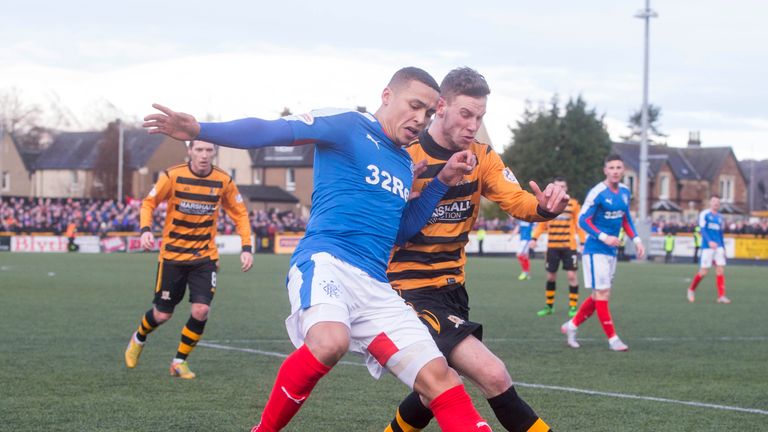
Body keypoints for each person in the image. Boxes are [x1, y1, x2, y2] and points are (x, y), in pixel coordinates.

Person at [143, 67, 498, 432]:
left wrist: (440, 182)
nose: (420, 119)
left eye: (427, 112)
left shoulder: (405, 162)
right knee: (330, 341)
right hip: (326, 261)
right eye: (414, 106)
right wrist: (201, 130)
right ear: (387, 96)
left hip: (377, 287)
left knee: (442, 379)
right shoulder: (345, 125)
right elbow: (270, 130)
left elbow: (401, 230)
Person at [384, 67, 567, 432]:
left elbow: (516, 200)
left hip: (453, 289)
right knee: (494, 375)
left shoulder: (482, 157)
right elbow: (382, 222)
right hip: (408, 291)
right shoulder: (405, 154)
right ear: (441, 107)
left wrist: (544, 207)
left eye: (480, 117)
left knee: (431, 392)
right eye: (466, 114)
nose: (473, 125)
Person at [124, 140, 253, 379]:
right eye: (199, 150)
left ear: (214, 153)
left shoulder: (223, 180)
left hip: (204, 256)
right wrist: (145, 229)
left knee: (201, 310)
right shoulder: (172, 176)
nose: (204, 155)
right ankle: (139, 338)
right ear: (190, 151)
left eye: (208, 150)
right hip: (172, 255)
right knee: (162, 314)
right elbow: (149, 203)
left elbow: (240, 214)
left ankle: (179, 361)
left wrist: (246, 246)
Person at [560, 154, 645, 352]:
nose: (615, 171)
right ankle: (613, 339)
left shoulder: (624, 192)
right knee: (603, 293)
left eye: (618, 167)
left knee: (599, 294)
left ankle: (571, 326)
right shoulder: (597, 192)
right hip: (595, 250)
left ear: (623, 170)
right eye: (612, 168)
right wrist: (603, 236)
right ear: (605, 170)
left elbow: (626, 219)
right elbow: (583, 220)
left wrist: (637, 240)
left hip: (611, 252)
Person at [529, 177, 585, 317]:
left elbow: (579, 225)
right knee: (551, 277)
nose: (560, 189)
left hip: (569, 246)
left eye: (563, 186)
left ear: (566, 189)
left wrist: (583, 242)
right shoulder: (548, 204)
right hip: (552, 246)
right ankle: (549, 306)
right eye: (557, 186)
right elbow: (542, 224)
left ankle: (573, 307)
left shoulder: (573, 204)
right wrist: (534, 238)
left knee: (572, 276)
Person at [687, 196, 731, 304]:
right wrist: (709, 241)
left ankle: (721, 296)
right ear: (710, 203)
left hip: (719, 247)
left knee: (720, 270)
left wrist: (723, 248)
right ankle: (691, 289)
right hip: (707, 247)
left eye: (718, 202)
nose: (716, 203)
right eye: (714, 201)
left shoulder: (720, 217)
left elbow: (721, 234)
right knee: (703, 272)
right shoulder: (704, 214)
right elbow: (702, 229)